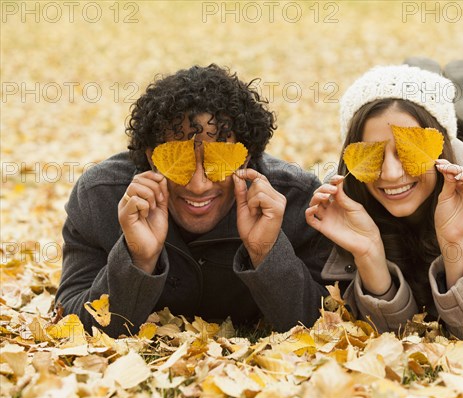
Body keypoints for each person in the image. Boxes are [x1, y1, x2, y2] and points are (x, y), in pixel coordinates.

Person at [56, 65, 332, 337]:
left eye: (218, 161)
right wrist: (137, 259)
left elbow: (325, 323)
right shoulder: (100, 197)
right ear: (152, 157)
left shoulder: (298, 201)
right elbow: (68, 323)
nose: (199, 185)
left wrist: (266, 252)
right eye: (180, 161)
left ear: (246, 158)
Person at [306, 65, 463, 339]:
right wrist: (368, 254)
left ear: (439, 145)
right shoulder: (341, 199)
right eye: (374, 156)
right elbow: (391, 336)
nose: (391, 173)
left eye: (409, 152)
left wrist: (455, 243)